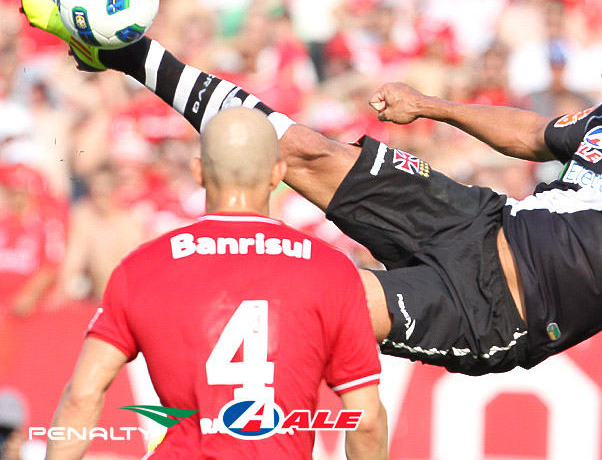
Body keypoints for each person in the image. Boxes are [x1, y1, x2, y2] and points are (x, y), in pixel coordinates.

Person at [22, 0, 602, 376]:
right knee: (307, 148)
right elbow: (533, 135)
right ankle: (124, 52)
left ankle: (185, 371)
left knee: (332, 299)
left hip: (497, 311)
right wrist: (434, 106)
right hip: (478, 220)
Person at [45, 108, 387, 460]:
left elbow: (82, 397)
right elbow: (366, 421)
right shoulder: (330, 269)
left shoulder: (142, 267)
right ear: (277, 174)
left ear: (198, 171)